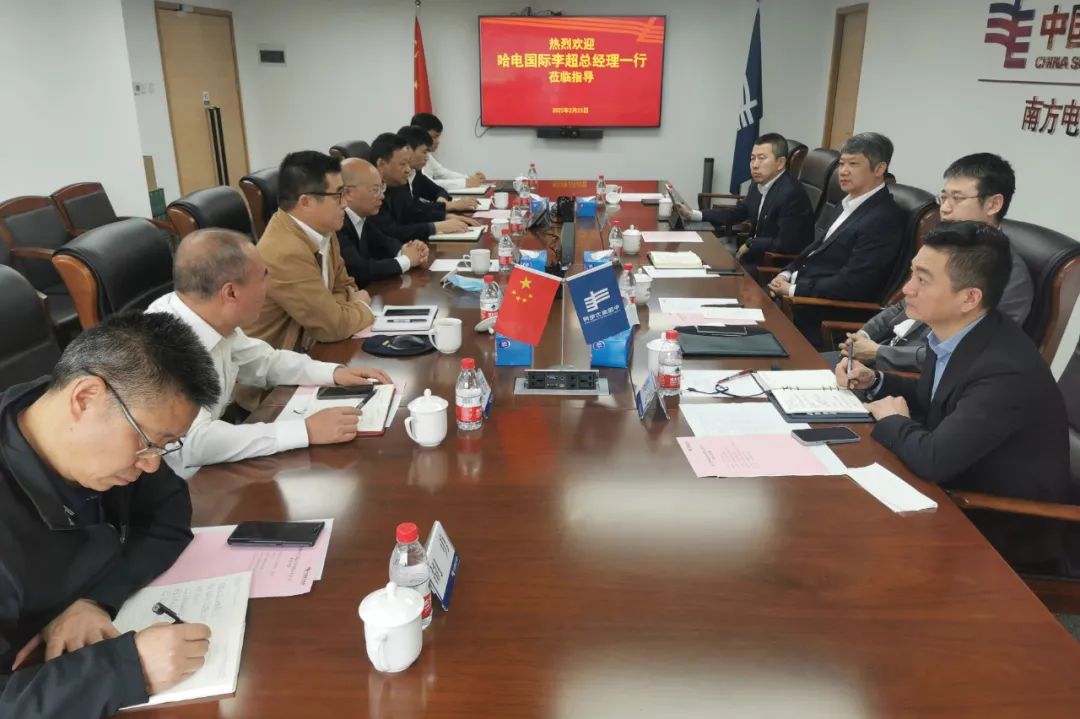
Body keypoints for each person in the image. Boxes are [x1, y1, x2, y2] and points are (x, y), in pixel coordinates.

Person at [0, 312, 221, 717]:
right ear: (85, 398)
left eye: (165, 446)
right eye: (150, 442)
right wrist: (126, 669)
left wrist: (93, 599)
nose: (152, 465)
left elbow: (169, 510)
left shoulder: (79, 428)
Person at [838, 221, 1073, 572]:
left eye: (923, 279)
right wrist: (875, 381)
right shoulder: (958, 334)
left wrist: (893, 419)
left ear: (969, 298)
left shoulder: (1004, 370)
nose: (907, 288)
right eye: (912, 273)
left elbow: (933, 459)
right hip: (955, 486)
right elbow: (935, 398)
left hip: (998, 528)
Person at [147, 229, 392, 479]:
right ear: (230, 293)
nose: (269, 287)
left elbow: (265, 362)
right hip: (182, 482)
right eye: (263, 277)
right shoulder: (163, 345)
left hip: (214, 465)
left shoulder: (208, 317)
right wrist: (305, 431)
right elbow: (196, 442)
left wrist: (334, 373)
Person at [830, 153, 1034, 371]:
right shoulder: (943, 247)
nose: (944, 208)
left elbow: (969, 351)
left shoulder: (1009, 275)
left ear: (993, 204)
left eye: (957, 199)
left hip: (908, 377)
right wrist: (864, 335)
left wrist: (879, 353)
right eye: (943, 198)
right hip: (877, 358)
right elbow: (903, 304)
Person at [767, 132, 905, 344]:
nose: (844, 171)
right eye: (842, 163)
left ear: (879, 169)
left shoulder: (883, 218)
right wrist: (786, 273)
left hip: (820, 314)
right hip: (797, 296)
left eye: (853, 164)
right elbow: (815, 248)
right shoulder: (848, 202)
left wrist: (794, 289)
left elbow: (854, 284)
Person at [243, 150, 375, 352]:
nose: (345, 203)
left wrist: (326, 315)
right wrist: (361, 306)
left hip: (311, 351)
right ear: (306, 202)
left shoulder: (324, 228)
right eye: (338, 195)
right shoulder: (285, 252)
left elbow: (346, 286)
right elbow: (335, 326)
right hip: (274, 365)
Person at [675, 133, 813, 272]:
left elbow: (787, 244)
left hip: (769, 268)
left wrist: (751, 243)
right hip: (751, 256)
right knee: (696, 259)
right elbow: (738, 212)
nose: (755, 165)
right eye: (752, 158)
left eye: (762, 158)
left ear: (780, 163)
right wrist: (694, 214)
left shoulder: (791, 194)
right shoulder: (759, 185)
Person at [368, 132, 477, 243]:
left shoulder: (396, 183)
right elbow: (391, 232)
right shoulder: (370, 192)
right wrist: (435, 227)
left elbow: (413, 211)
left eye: (408, 163)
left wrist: (444, 216)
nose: (408, 170)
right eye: (402, 164)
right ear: (381, 164)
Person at [338, 157, 429, 289]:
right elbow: (358, 270)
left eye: (382, 188)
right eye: (375, 190)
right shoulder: (338, 223)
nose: (382, 196)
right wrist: (407, 260)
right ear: (348, 193)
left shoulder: (362, 217)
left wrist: (408, 250)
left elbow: (385, 243)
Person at [397, 124, 478, 213]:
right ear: (408, 150)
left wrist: (442, 201)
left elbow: (438, 190)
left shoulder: (416, 173)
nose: (427, 158)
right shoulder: (396, 178)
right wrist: (448, 206)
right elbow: (411, 209)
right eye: (424, 152)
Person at [410, 112, 486, 190]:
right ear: (420, 135)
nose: (438, 141)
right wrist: (466, 182)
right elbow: (427, 184)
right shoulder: (412, 156)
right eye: (434, 137)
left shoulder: (427, 154)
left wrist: (470, 178)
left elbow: (443, 173)